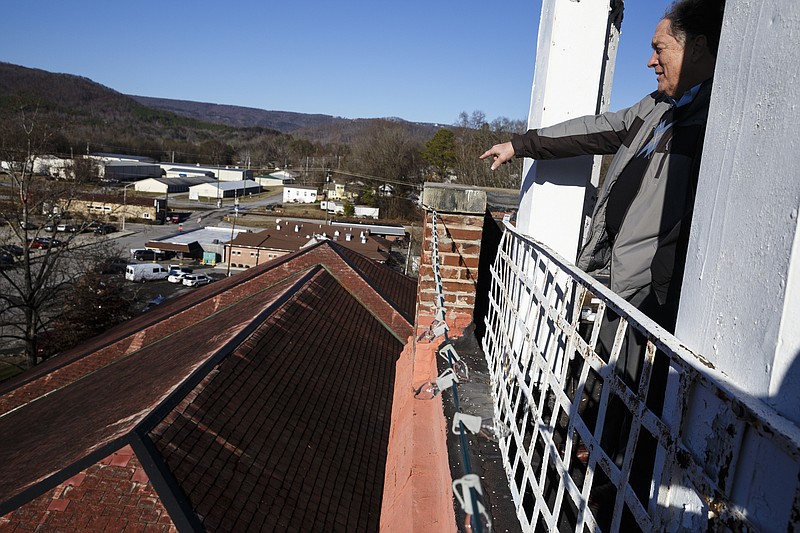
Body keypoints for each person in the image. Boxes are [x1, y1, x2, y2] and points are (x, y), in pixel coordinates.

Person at [481, 0, 726, 523]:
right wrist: (521, 144)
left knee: (634, 426)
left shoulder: (721, 122)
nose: (650, 61)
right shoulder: (659, 108)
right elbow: (596, 128)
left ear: (700, 46)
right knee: (605, 404)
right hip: (618, 293)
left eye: (660, 47)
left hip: (656, 311)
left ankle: (605, 506)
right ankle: (585, 487)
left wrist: (660, 291)